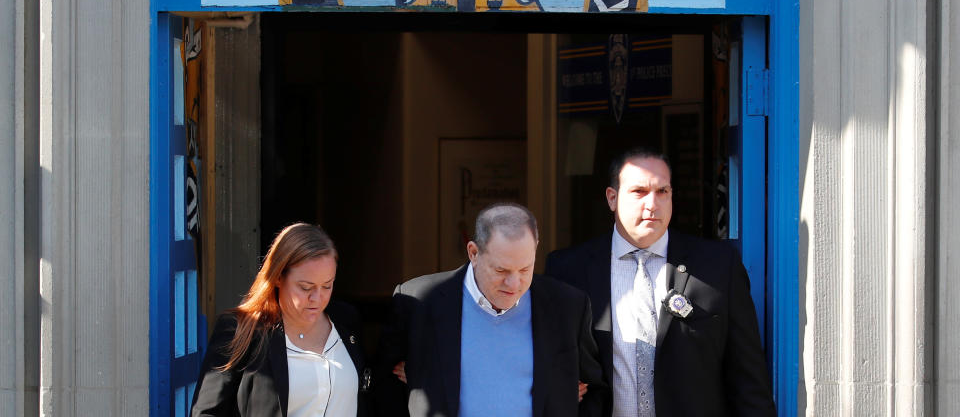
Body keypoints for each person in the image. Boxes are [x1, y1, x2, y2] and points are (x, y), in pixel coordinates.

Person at [545, 148, 777, 417]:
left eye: (662, 192)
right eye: (639, 192)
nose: (652, 204)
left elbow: (747, 379)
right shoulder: (568, 270)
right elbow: (545, 363)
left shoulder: (717, 266)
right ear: (612, 198)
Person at [376, 202, 607, 417]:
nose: (514, 284)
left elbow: (593, 391)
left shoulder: (567, 305)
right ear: (474, 253)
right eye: (501, 271)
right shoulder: (415, 299)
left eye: (525, 269)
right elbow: (384, 387)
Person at [191, 223, 370, 417]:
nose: (317, 299)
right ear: (277, 277)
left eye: (327, 286)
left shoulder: (346, 321)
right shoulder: (240, 329)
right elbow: (207, 412)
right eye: (305, 287)